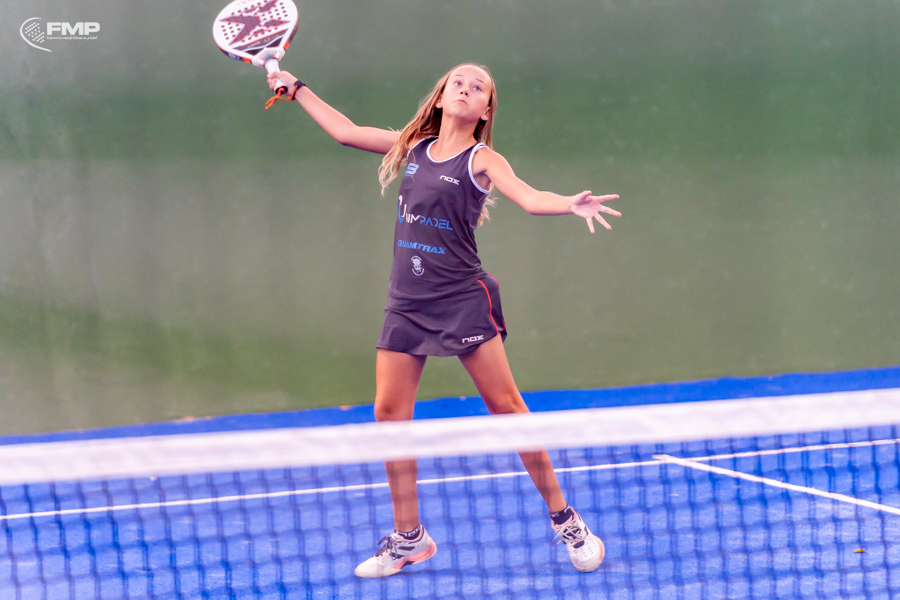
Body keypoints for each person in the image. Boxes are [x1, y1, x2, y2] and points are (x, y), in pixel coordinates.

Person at [266, 63, 620, 578]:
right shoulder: (411, 147)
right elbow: (345, 132)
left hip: (460, 298)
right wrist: (297, 89)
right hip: (407, 302)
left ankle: (567, 521)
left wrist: (569, 204)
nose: (466, 89)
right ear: (439, 97)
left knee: (507, 408)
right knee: (389, 414)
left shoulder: (483, 160)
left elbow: (528, 198)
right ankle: (409, 537)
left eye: (479, 88)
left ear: (486, 110)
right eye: (458, 82)